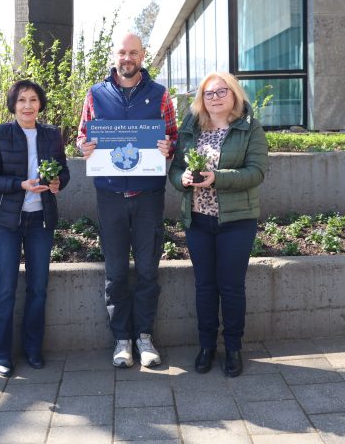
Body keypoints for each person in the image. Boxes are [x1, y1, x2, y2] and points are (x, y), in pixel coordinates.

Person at [76, 32, 178, 368]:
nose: (127, 58)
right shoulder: (95, 94)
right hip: (110, 195)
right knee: (116, 272)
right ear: (115, 55)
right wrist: (84, 147)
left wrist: (168, 148)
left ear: (143, 56)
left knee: (148, 270)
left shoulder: (160, 96)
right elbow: (81, 136)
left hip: (148, 195)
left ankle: (144, 338)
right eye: (122, 52)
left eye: (133, 52)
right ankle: (122, 340)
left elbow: (173, 137)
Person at [168, 71, 268, 377]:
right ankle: (206, 346)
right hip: (197, 220)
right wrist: (182, 180)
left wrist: (218, 178)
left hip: (236, 221)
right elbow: (175, 170)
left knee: (231, 286)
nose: (215, 98)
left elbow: (257, 172)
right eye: (209, 93)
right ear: (202, 99)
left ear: (234, 94)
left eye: (221, 91)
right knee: (205, 286)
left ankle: (233, 348)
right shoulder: (191, 128)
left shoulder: (249, 128)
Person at [0, 79, 70, 378]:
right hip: (7, 222)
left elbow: (63, 170)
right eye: (21, 101)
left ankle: (33, 349)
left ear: (40, 104)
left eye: (32, 100)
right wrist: (19, 185)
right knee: (5, 288)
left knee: (38, 289)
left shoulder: (51, 134)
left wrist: (58, 182)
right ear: (13, 105)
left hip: (40, 221)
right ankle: (1, 354)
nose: (27, 106)